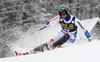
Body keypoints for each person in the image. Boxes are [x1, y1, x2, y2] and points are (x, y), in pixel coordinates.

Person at [15, 5, 92, 55]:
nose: (62, 15)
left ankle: (52, 46)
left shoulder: (75, 20)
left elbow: (84, 30)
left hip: (71, 37)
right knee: (50, 41)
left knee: (67, 35)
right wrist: (49, 23)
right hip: (63, 32)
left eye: (63, 13)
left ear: (67, 12)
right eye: (60, 14)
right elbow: (52, 21)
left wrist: (90, 39)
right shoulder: (59, 18)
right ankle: (34, 50)